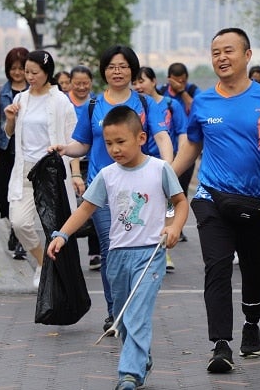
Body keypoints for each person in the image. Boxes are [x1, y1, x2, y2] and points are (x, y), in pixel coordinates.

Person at [172, 27, 260, 373]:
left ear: (247, 55)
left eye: (228, 51)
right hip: (211, 196)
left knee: (255, 272)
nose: (221, 58)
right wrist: (163, 177)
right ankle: (220, 344)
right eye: (215, 53)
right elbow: (192, 146)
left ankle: (252, 321)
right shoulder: (204, 103)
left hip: (256, 201)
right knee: (218, 267)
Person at [47, 106, 188, 390]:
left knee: (136, 313)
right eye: (109, 143)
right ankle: (141, 358)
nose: (114, 149)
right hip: (117, 256)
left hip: (150, 255)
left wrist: (173, 227)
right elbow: (86, 209)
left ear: (140, 137)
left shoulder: (160, 169)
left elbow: (180, 203)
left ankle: (129, 374)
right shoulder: (107, 175)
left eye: (121, 142)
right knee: (123, 317)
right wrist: (62, 234)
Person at [54, 45, 174, 334]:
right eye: (111, 66)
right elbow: (82, 144)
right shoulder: (94, 106)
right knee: (111, 247)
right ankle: (115, 311)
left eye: (122, 66)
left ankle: (130, 305)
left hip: (139, 190)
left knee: (135, 247)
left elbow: (162, 137)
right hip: (103, 186)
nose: (117, 71)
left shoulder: (145, 104)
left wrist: (166, 170)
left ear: (132, 69)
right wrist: (64, 149)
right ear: (103, 71)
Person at [5, 50, 78, 288]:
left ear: (47, 73)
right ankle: (42, 261)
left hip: (50, 171)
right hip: (25, 169)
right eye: (27, 72)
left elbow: (73, 140)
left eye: (34, 72)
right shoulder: (21, 100)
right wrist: (10, 118)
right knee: (19, 222)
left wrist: (75, 174)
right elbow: (9, 133)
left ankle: (59, 277)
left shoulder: (60, 102)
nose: (29, 77)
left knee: (54, 226)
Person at [133, 66, 188, 272]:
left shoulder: (171, 105)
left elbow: (182, 133)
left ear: (154, 81)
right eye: (135, 82)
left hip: (168, 163)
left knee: (168, 207)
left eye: (142, 81)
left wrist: (176, 163)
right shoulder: (136, 106)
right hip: (143, 165)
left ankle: (165, 251)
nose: (138, 86)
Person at [0, 47, 29, 260]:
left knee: (21, 194)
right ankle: (13, 225)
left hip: (27, 151)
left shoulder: (34, 92)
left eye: (21, 68)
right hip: (5, 150)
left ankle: (19, 236)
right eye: (13, 68)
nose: (18, 72)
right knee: (2, 194)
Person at [157, 62, 200, 239]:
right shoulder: (161, 91)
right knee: (165, 190)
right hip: (166, 149)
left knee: (180, 190)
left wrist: (182, 91)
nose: (179, 83)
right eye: (176, 81)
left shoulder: (192, 89)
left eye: (183, 80)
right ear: (169, 78)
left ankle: (178, 226)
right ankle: (164, 224)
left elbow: (197, 107)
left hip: (187, 146)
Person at [66, 64, 103, 271]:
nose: (81, 87)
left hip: (93, 160)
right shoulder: (64, 102)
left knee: (95, 203)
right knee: (71, 206)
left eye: (85, 83)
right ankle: (67, 247)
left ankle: (95, 252)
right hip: (70, 158)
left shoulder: (96, 102)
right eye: (77, 83)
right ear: (70, 82)